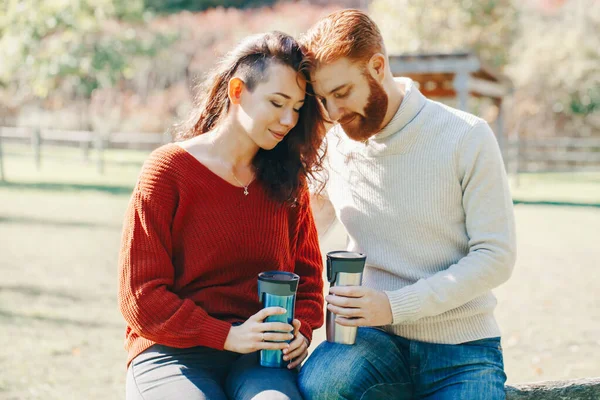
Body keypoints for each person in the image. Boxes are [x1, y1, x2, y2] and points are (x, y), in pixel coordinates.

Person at [297, 9, 517, 400]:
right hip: (371, 343)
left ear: (378, 66)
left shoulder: (466, 136)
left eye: (342, 93)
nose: (333, 113)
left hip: (461, 349)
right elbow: (303, 229)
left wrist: (395, 306)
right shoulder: (336, 144)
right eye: (324, 99)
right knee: (320, 384)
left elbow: (495, 256)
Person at [118, 31, 326, 400]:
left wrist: (302, 330)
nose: (289, 119)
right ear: (236, 91)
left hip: (260, 360)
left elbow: (308, 281)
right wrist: (226, 336)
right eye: (277, 102)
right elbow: (142, 297)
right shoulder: (168, 171)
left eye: (296, 107)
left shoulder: (288, 181)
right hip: (172, 353)